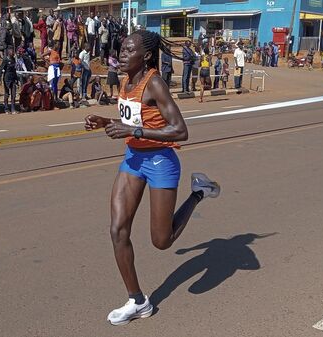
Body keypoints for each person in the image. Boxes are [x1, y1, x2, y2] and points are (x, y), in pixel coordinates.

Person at [83, 30, 220, 326]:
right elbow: (135, 120)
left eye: (128, 50)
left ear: (145, 56)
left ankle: (198, 192)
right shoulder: (125, 80)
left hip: (160, 162)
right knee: (118, 230)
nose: (121, 54)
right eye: (121, 48)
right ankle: (138, 301)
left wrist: (134, 132)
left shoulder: (154, 83)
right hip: (133, 159)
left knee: (162, 241)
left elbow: (181, 131)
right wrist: (106, 122)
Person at [0, 47, 19, 114]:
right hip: (7, 78)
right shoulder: (5, 59)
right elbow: (0, 69)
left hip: (13, 78)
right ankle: (6, 109)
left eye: (13, 51)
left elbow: (14, 70)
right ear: (8, 52)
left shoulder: (13, 59)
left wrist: (17, 79)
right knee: (7, 94)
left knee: (13, 94)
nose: (13, 52)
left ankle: (13, 109)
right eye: (11, 51)